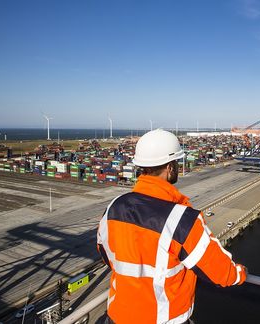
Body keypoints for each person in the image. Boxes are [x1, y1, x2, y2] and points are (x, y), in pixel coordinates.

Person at [97, 129, 247, 324]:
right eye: (177, 163)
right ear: (170, 168)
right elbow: (222, 273)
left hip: (118, 316)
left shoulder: (114, 207)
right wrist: (240, 273)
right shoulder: (181, 219)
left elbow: (104, 253)